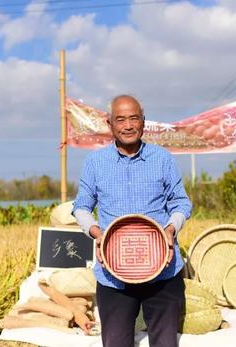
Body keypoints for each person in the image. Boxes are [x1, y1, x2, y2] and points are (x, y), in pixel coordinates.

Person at [72, 94, 192, 347]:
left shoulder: (162, 158)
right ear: (110, 124)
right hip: (113, 275)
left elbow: (181, 202)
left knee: (165, 343)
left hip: (163, 271)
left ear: (143, 122)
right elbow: (81, 207)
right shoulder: (96, 162)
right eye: (121, 119)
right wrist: (96, 232)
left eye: (134, 118)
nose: (128, 125)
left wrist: (170, 229)